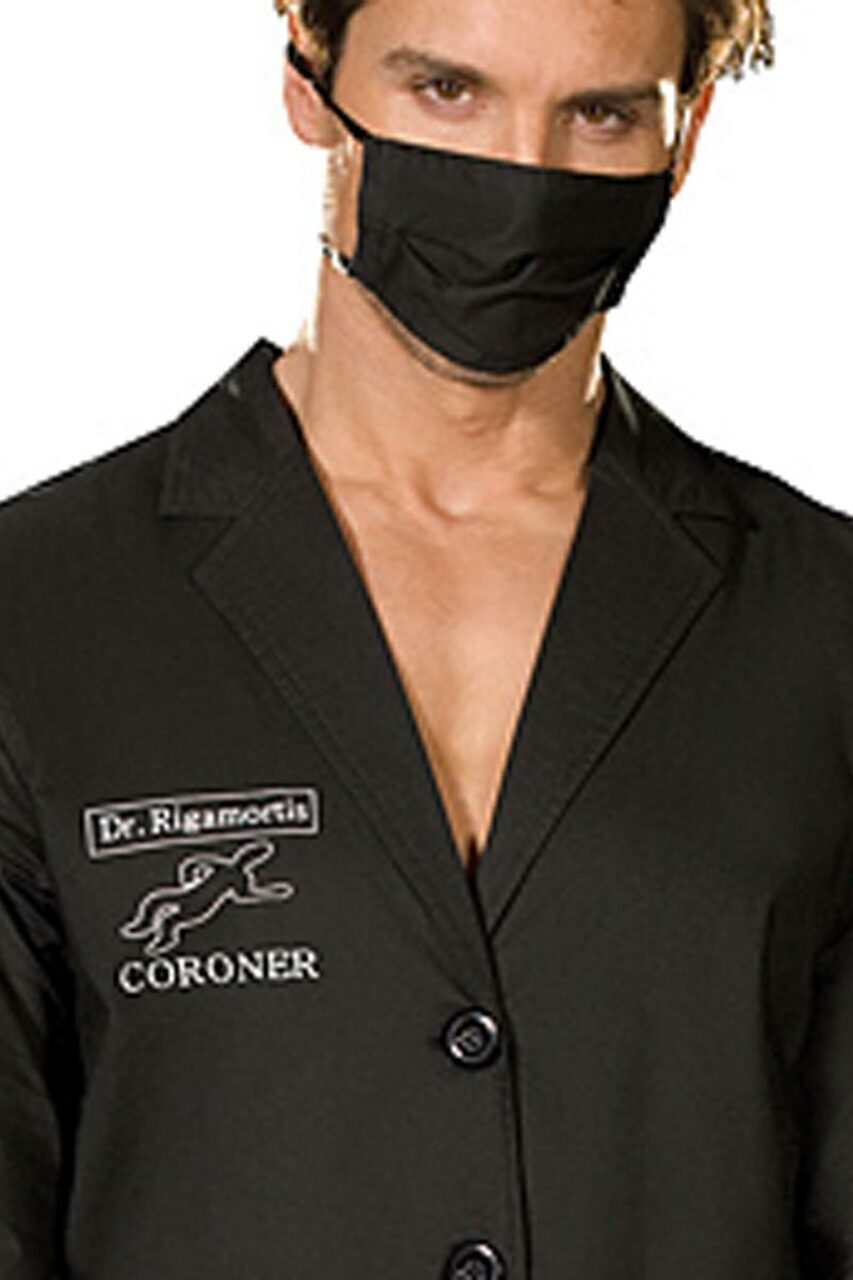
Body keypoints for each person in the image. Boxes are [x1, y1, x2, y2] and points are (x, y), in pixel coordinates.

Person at [2, 0, 852, 1276]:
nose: (524, 175)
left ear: (685, 137)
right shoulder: (38, 606)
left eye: (599, 115)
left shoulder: (821, 618)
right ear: (309, 79)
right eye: (448, 92)